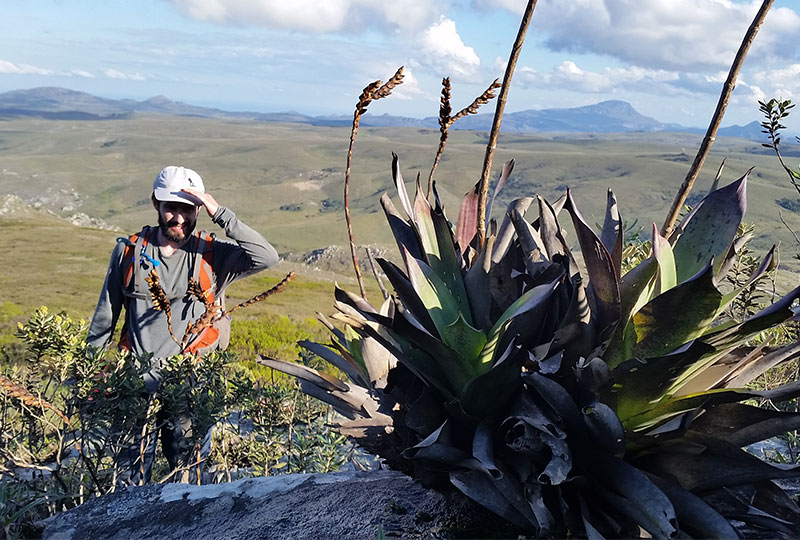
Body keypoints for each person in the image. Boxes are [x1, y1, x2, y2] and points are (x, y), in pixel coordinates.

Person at [86, 165, 278, 485]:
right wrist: (85, 373)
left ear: (198, 210)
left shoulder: (214, 256)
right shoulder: (130, 252)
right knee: (130, 479)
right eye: (171, 208)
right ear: (155, 205)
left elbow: (267, 257)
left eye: (188, 210)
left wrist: (220, 212)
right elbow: (105, 317)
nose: (179, 218)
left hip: (191, 385)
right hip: (136, 386)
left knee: (191, 473)